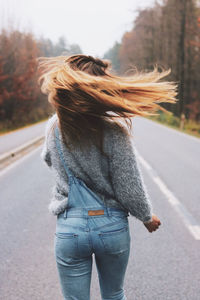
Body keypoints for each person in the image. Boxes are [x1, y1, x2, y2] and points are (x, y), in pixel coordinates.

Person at [38, 54, 178, 300]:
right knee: (114, 294)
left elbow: (47, 158)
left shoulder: (53, 127)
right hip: (110, 228)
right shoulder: (115, 131)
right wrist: (146, 217)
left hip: (71, 229)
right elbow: (128, 187)